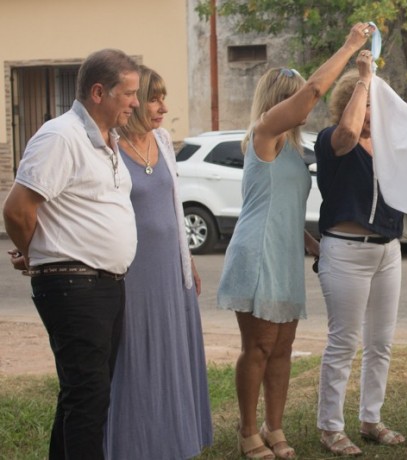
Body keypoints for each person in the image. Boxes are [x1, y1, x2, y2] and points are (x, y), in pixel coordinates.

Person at [217, 22, 374, 460]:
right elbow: (310, 100)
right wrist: (349, 46)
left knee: (283, 349)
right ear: (276, 100)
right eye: (295, 94)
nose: (304, 102)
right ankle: (248, 430)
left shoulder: (293, 150)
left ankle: (275, 426)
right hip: (257, 253)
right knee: (259, 347)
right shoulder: (265, 132)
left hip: (285, 253)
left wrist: (309, 240)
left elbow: (278, 201)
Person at [2, 49, 139, 460]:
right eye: (129, 93)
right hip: (74, 284)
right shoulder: (60, 136)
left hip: (103, 284)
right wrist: (38, 254)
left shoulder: (108, 141)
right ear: (99, 92)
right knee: (89, 398)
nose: (135, 102)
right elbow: (16, 208)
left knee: (83, 394)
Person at [103, 65, 213, 459]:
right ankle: (135, 447)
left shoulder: (164, 140)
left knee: (172, 357)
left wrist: (190, 261)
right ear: (131, 103)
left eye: (162, 97)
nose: (162, 107)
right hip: (132, 273)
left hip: (172, 270)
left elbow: (173, 206)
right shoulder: (109, 146)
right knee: (135, 360)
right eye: (154, 98)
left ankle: (174, 444)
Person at [314, 53, 407, 457]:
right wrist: (364, 78)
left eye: (374, 103)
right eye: (364, 102)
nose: (370, 111)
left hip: (388, 251)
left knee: (381, 341)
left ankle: (371, 418)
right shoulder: (332, 138)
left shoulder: (389, 145)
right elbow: (349, 135)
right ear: (346, 103)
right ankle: (330, 427)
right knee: (344, 342)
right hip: (346, 251)